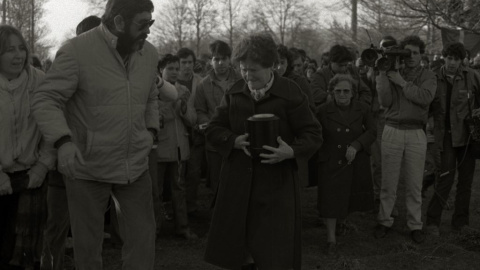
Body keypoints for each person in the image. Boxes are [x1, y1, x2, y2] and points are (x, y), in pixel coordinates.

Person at [31, 0, 176, 269]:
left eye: (151, 23)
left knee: (143, 242)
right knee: (88, 251)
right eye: (142, 24)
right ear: (119, 22)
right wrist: (63, 142)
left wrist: (151, 130)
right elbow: (45, 99)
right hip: (87, 169)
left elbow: (152, 96)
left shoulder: (149, 54)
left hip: (135, 166)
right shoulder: (76, 51)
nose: (148, 31)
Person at [203, 33, 322, 270]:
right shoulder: (235, 92)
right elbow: (213, 128)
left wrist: (291, 152)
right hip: (238, 184)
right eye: (243, 69)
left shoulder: (290, 92)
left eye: (253, 70)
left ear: (271, 66)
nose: (247, 76)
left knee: (273, 251)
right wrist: (233, 140)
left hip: (276, 187)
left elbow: (314, 134)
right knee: (240, 248)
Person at [40, 15, 102, 270]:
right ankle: (50, 265)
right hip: (63, 164)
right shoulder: (65, 68)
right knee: (57, 225)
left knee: (89, 228)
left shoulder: (107, 72)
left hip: (94, 162)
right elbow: (50, 111)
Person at [0, 25, 55, 269]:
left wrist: (42, 166)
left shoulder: (39, 82)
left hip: (31, 179)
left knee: (26, 255)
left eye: (21, 48)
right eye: (9, 50)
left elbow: (53, 129)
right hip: (0, 178)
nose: (18, 55)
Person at [374, 35, 437, 243]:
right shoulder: (392, 72)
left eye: (416, 53)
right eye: (407, 52)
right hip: (392, 128)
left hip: (416, 132)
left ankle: (415, 224)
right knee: (388, 181)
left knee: (414, 182)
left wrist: (402, 83)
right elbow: (385, 101)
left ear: (421, 55)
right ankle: (384, 220)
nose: (411, 57)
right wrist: (383, 74)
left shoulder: (428, 75)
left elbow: (425, 97)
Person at [316, 74, 376, 254]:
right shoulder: (322, 111)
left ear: (353, 93)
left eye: (346, 91)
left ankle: (342, 223)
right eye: (338, 91)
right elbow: (314, 133)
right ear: (332, 92)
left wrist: (356, 145)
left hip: (353, 160)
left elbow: (372, 130)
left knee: (348, 195)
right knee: (330, 199)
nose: (342, 94)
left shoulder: (363, 109)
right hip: (331, 160)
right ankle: (331, 239)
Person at [426, 42, 480, 235]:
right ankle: (432, 221)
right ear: (444, 57)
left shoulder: (472, 77)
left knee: (466, 182)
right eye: (449, 58)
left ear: (462, 60)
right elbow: (426, 106)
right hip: (445, 137)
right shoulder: (433, 77)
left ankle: (461, 222)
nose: (452, 62)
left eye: (456, 59)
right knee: (445, 179)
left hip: (467, 137)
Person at [153, 54, 198, 239]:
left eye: (176, 68)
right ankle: (154, 229)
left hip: (180, 150)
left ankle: (183, 227)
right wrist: (175, 101)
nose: (174, 72)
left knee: (179, 190)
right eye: (169, 68)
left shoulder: (182, 90)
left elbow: (192, 120)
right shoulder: (153, 92)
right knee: (155, 192)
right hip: (158, 151)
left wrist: (185, 105)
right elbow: (157, 119)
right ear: (160, 70)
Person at [195, 40, 241, 193]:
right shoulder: (203, 85)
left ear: (230, 59)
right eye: (216, 59)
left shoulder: (241, 81)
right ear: (211, 61)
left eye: (224, 59)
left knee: (237, 184)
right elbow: (200, 110)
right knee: (217, 185)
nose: (220, 63)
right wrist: (207, 124)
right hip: (214, 144)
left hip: (238, 141)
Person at [176, 47, 206, 215]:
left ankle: (191, 205)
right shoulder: (172, 83)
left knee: (194, 171)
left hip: (197, 132)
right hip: (180, 130)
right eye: (183, 62)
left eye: (190, 62)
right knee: (179, 173)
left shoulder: (200, 81)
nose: (187, 66)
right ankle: (178, 207)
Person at [310, 44, 372, 110]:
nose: (343, 68)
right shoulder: (320, 75)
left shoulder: (352, 71)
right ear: (331, 62)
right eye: (340, 65)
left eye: (345, 65)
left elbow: (365, 91)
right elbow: (315, 93)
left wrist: (359, 105)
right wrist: (334, 99)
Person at [276, 44, 315, 111]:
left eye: (282, 63)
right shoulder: (266, 81)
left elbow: (310, 109)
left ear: (287, 63)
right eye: (276, 63)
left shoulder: (300, 82)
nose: (279, 67)